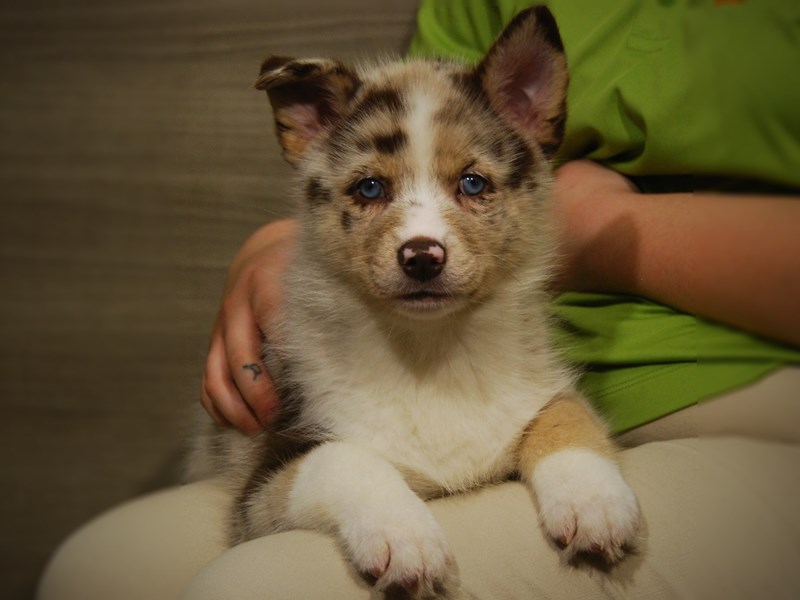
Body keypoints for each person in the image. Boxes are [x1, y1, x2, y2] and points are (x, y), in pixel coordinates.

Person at [39, 1, 800, 598]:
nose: (422, 241)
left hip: (748, 394)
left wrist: (602, 232)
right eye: (373, 189)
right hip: (391, 395)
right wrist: (272, 242)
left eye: (471, 184)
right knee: (95, 570)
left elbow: (539, 407)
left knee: (255, 589)